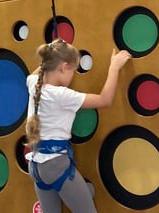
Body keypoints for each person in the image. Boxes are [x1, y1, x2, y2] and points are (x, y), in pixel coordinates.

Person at [25, 39, 131, 213]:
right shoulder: (61, 95)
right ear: (64, 66)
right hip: (55, 165)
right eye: (73, 70)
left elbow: (41, 69)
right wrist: (114, 67)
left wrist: (53, 51)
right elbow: (105, 100)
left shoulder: (33, 83)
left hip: (36, 166)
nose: (73, 75)